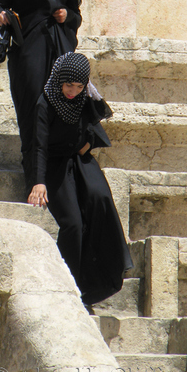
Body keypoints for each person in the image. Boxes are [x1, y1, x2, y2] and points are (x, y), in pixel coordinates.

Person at [28, 52, 133, 306]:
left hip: (79, 160)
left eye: (78, 86)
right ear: (59, 81)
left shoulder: (83, 96)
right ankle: (65, 282)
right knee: (73, 223)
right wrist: (38, 182)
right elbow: (39, 146)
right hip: (54, 166)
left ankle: (102, 275)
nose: (73, 91)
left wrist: (87, 142)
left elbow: (94, 124)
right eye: (68, 85)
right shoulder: (46, 102)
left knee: (100, 199)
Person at [0, 0, 86, 194]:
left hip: (60, 54)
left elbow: (76, 15)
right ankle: (33, 179)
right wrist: (0, 16)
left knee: (59, 112)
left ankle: (54, 179)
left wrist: (68, 16)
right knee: (33, 112)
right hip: (29, 54)